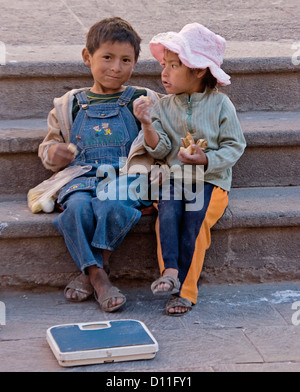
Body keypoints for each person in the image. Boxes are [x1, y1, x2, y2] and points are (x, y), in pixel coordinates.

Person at [38, 17, 160, 312]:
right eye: (107, 57)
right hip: (81, 176)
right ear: (87, 57)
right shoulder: (69, 104)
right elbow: (49, 145)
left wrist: (148, 121)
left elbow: (162, 139)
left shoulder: (143, 99)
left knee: (112, 204)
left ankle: (93, 272)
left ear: (135, 63)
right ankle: (99, 276)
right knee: (77, 209)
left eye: (126, 60)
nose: (116, 67)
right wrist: (53, 154)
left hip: (125, 176)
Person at [133, 23, 246, 316]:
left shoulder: (222, 105)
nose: (164, 73)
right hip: (176, 178)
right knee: (167, 209)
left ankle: (185, 291)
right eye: (164, 64)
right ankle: (169, 270)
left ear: (198, 70)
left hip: (212, 182)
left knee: (195, 218)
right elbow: (159, 149)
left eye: (174, 65)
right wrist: (147, 124)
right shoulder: (163, 106)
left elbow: (235, 146)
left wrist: (206, 160)